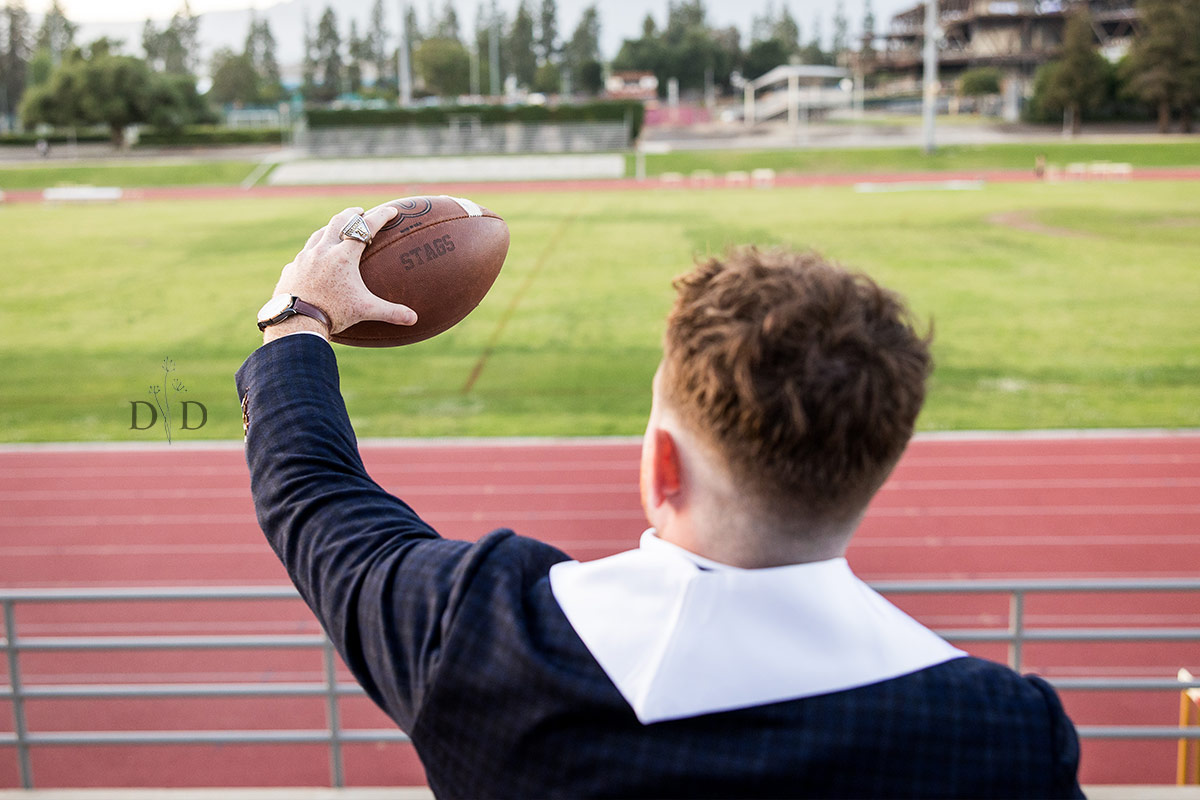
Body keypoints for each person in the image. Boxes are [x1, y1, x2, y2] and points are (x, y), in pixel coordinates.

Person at [237, 205, 1084, 799]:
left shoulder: (489, 639)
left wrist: (298, 316)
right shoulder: (1007, 736)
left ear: (661, 467)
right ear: (874, 467)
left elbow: (313, 496)